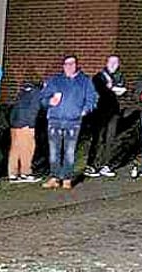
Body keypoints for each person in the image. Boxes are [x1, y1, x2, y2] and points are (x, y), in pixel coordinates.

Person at [38, 55, 97, 189]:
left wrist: (85, 110)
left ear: (76, 65)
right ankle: (55, 177)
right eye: (66, 64)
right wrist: (49, 102)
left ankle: (67, 178)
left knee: (69, 151)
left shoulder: (85, 81)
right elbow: (43, 97)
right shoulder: (55, 80)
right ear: (63, 66)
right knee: (54, 151)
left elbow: (92, 98)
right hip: (55, 120)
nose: (69, 66)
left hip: (73, 121)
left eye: (72, 63)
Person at [85, 55, 127, 178]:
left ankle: (105, 165)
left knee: (110, 139)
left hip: (114, 113)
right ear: (107, 63)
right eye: (111, 62)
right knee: (98, 139)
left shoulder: (120, 77)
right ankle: (92, 165)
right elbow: (98, 91)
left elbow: (123, 92)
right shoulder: (99, 76)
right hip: (100, 112)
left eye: (116, 62)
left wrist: (119, 91)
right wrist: (110, 89)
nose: (113, 64)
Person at [8, 78, 44, 183]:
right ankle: (25, 173)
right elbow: (34, 109)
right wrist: (31, 125)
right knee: (28, 149)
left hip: (15, 123)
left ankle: (13, 174)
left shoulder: (22, 93)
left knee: (15, 149)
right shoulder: (37, 93)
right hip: (26, 124)